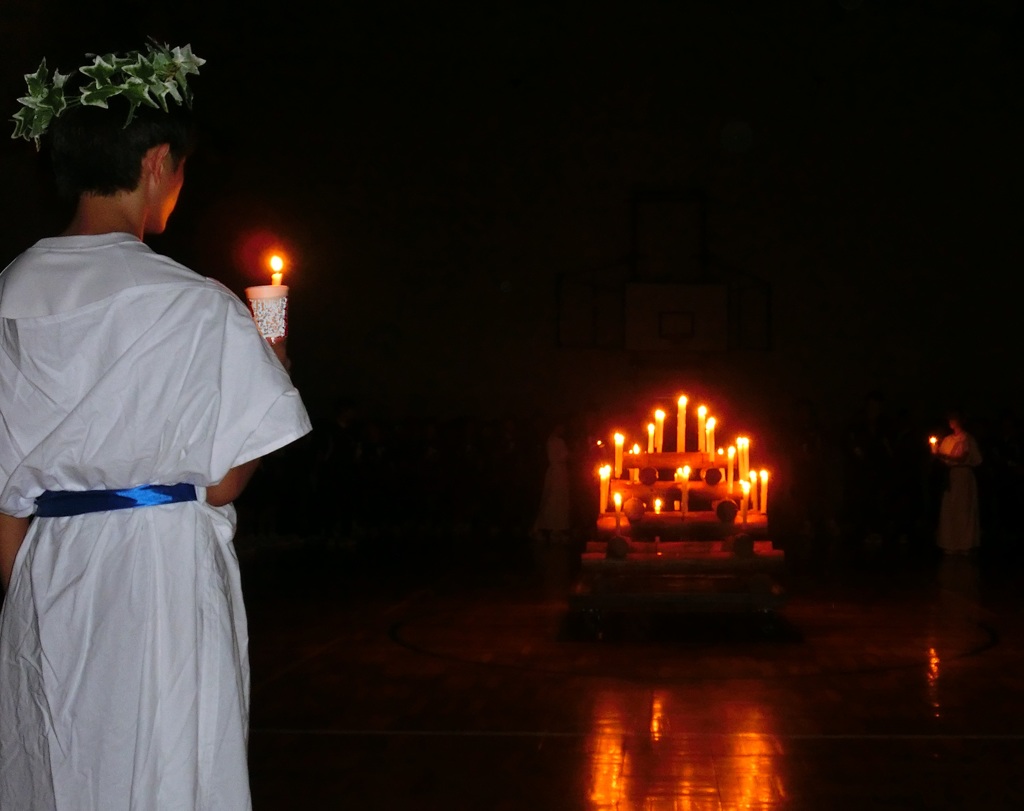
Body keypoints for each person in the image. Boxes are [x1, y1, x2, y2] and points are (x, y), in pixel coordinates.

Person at [0, 44, 311, 809]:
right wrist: (272, 349)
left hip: (50, 573)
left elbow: (5, 501)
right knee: (167, 775)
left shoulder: (9, 292)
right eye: (180, 171)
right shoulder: (196, 306)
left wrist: (39, 596)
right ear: (156, 161)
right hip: (164, 584)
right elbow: (223, 480)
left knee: (58, 766)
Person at [932, 409, 982, 555]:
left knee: (964, 508)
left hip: (963, 476)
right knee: (950, 509)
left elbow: (962, 458)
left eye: (953, 418)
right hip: (951, 476)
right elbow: (943, 460)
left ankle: (965, 543)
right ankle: (950, 543)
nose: (950, 421)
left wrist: (941, 454)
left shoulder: (967, 439)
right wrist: (936, 453)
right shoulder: (947, 440)